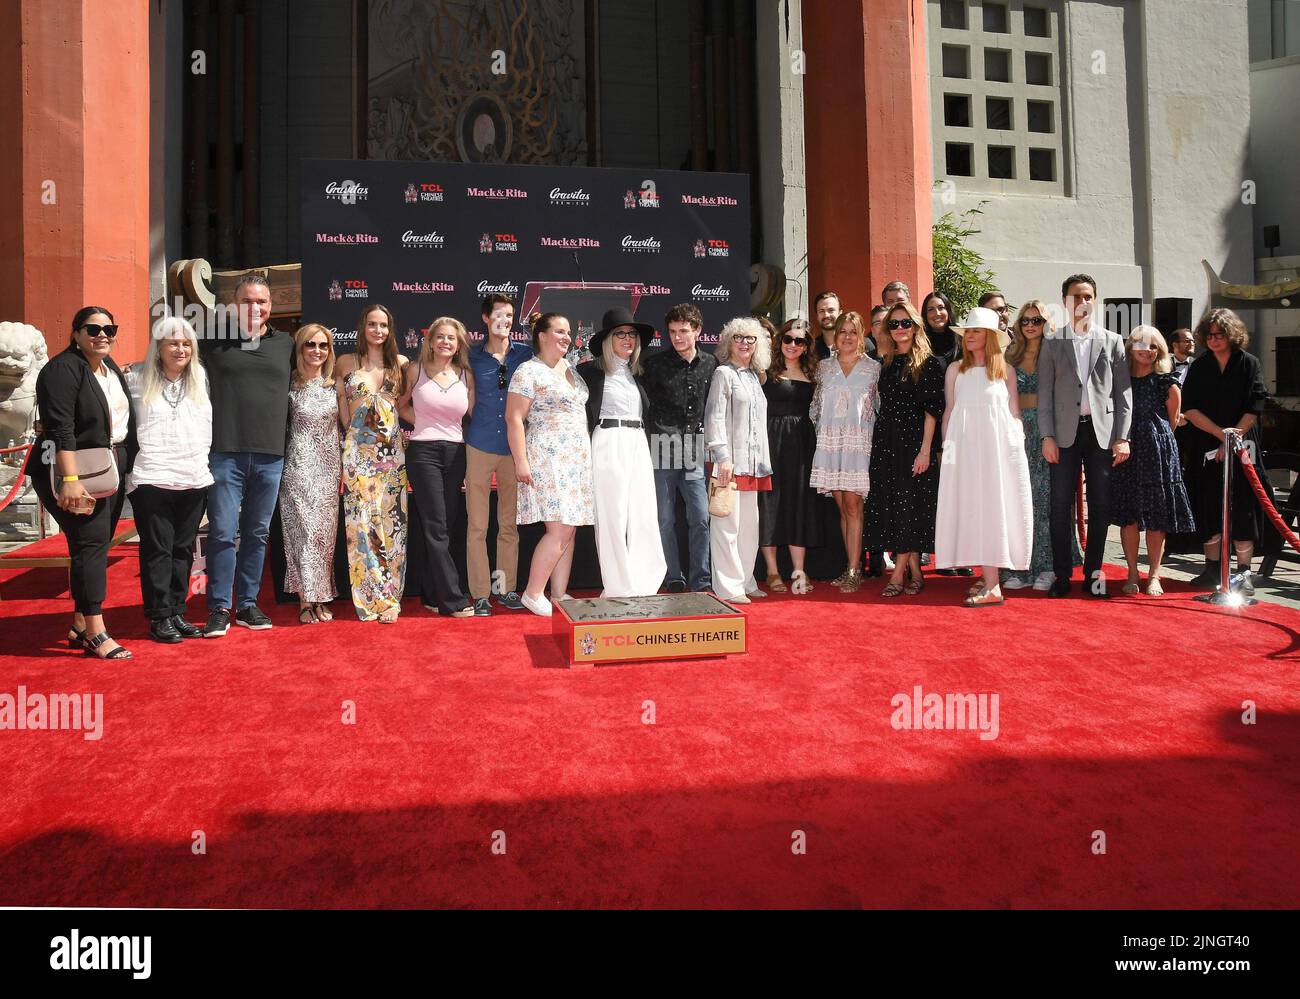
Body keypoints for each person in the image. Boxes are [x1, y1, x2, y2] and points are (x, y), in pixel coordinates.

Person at [32, 306, 139, 659]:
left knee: (93, 544)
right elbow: (60, 427)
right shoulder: (62, 370)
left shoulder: (108, 370)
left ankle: (79, 624)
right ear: (76, 333)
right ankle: (96, 631)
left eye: (110, 328)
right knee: (90, 544)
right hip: (74, 471)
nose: (102, 335)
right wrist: (71, 480)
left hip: (108, 467)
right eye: (93, 329)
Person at [201, 274, 295, 636]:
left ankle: (248, 604)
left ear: (271, 306)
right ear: (234, 304)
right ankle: (219, 607)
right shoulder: (211, 342)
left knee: (257, 533)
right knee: (223, 532)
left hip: (271, 455)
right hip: (225, 453)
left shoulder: (286, 344)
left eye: (262, 302)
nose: (255, 308)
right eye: (247, 301)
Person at [1038, 273, 1132, 598]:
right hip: (1063, 434)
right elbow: (1044, 394)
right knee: (1060, 506)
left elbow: (1123, 395)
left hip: (1101, 435)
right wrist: (1046, 436)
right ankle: (1062, 576)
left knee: (1101, 507)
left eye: (1088, 296)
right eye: (1076, 296)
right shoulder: (1052, 343)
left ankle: (1094, 576)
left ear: (1096, 300)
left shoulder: (1113, 340)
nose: (1083, 302)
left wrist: (1123, 437)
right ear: (1065, 300)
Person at [934, 308, 1032, 606]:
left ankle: (993, 586)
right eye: (968, 332)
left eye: (976, 331)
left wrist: (1016, 453)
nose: (970, 337)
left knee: (995, 509)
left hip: (998, 453)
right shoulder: (955, 370)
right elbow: (949, 411)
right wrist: (946, 453)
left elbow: (1014, 414)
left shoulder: (1006, 371)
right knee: (971, 508)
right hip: (963, 451)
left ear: (990, 337)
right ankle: (988, 578)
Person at [125, 317, 212, 643]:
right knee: (157, 551)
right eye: (173, 343)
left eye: (186, 343)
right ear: (158, 347)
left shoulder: (200, 377)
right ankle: (159, 616)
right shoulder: (135, 377)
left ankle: (177, 611)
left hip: (192, 477)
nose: (180, 349)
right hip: (152, 477)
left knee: (182, 552)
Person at [506, 312, 595, 616]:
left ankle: (558, 593)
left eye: (568, 332)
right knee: (559, 529)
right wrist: (521, 461)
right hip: (549, 458)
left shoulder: (569, 368)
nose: (566, 338)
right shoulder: (527, 371)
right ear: (541, 335)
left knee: (569, 528)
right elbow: (514, 418)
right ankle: (533, 593)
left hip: (576, 460)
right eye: (559, 331)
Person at [577, 307, 666, 598]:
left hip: (638, 441)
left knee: (643, 512)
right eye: (621, 334)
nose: (628, 339)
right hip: (608, 440)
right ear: (607, 339)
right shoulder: (589, 371)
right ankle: (617, 585)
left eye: (632, 334)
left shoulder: (639, 373)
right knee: (612, 515)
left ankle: (645, 580)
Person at [1180, 308, 1269, 593]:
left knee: (1243, 506)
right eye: (1210, 335)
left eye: (1220, 334)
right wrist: (1221, 436)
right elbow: (1189, 407)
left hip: (1244, 442)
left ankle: (1244, 572)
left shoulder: (1249, 363)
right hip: (1207, 441)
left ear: (1232, 334)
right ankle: (1211, 569)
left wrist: (1233, 438)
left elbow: (1256, 404)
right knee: (1209, 503)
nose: (1215, 339)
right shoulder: (1199, 366)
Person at [862, 300, 945, 597]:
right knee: (895, 507)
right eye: (893, 324)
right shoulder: (886, 362)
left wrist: (924, 451)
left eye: (905, 323)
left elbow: (932, 412)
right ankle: (916, 571)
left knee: (911, 506)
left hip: (914, 443)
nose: (899, 329)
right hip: (886, 442)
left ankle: (897, 574)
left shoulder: (930, 364)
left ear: (916, 326)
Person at [335, 304, 409, 622]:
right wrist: (351, 438)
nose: (378, 330)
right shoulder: (345, 362)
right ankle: (372, 598)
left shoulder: (401, 364)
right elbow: (341, 404)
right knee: (362, 527)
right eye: (372, 324)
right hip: (359, 456)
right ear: (362, 327)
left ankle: (391, 596)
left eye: (383, 325)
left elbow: (403, 407)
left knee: (393, 525)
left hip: (392, 455)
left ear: (389, 329)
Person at [1109, 326, 1195, 596]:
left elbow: (1172, 422)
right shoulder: (1118, 381)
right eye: (1141, 344)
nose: (1147, 350)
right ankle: (1132, 572)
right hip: (1127, 451)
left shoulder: (1167, 382)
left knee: (1157, 518)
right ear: (1131, 348)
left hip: (1158, 453)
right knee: (1129, 516)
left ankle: (1155, 574)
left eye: (1153, 346)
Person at [399, 317, 475, 618]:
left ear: (459, 345)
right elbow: (399, 404)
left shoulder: (466, 375)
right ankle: (452, 600)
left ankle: (431, 593)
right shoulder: (415, 371)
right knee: (436, 527)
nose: (445, 342)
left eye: (451, 338)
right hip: (423, 452)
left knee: (447, 523)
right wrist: (424, 423)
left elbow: (472, 412)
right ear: (429, 342)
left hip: (456, 453)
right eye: (440, 337)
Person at [1002, 300, 1080, 591]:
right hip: (1017, 432)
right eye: (1026, 320)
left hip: (1050, 433)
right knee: (1018, 499)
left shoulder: (1059, 352)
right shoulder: (1009, 354)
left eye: (1037, 320)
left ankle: (1047, 566)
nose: (1031, 325)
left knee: (1047, 501)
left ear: (1048, 323)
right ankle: (1017, 567)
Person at [641, 303, 718, 593]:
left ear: (698, 330)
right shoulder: (655, 364)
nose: (677, 337)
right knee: (665, 518)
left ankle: (701, 579)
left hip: (694, 446)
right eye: (672, 332)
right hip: (661, 444)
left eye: (684, 331)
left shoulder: (711, 364)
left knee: (699, 517)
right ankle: (673, 574)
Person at [465, 294, 532, 615]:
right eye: (498, 316)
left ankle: (505, 590)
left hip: (513, 449)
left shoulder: (526, 355)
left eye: (509, 316)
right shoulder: (470, 356)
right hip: (478, 445)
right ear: (485, 318)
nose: (504, 322)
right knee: (477, 526)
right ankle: (479, 594)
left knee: (508, 525)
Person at [809, 311, 880, 593]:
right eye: (842, 331)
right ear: (835, 336)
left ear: (861, 335)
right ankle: (851, 565)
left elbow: (879, 408)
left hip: (858, 446)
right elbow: (814, 408)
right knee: (842, 507)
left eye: (853, 331)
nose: (847, 337)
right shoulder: (823, 368)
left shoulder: (873, 368)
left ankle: (854, 569)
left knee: (854, 506)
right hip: (830, 445)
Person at [705, 316, 773, 604]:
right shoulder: (724, 374)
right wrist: (722, 457)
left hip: (755, 465)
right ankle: (728, 587)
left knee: (749, 527)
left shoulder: (756, 377)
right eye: (739, 337)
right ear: (728, 342)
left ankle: (746, 580)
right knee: (726, 526)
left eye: (751, 338)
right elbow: (714, 416)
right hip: (730, 464)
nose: (745, 343)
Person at [280, 324, 342, 624]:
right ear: (300, 348)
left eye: (323, 345)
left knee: (323, 537)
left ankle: (320, 597)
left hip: (329, 471)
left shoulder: (335, 385)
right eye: (310, 345)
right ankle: (306, 600)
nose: (317, 351)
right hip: (297, 469)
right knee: (303, 534)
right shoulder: (289, 385)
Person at [759, 317, 822, 594]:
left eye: (800, 341)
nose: (793, 345)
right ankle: (772, 571)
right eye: (788, 339)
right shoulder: (764, 372)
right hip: (770, 440)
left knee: (799, 503)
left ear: (807, 346)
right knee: (769, 503)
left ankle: (799, 570)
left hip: (801, 444)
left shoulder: (814, 374)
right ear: (779, 340)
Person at [920, 291, 961, 365]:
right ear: (925, 314)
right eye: (931, 309)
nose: (937, 313)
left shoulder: (961, 337)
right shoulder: (919, 341)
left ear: (948, 310)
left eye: (941, 308)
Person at [813, 290, 842, 360]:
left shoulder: (858, 344)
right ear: (817, 316)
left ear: (840, 313)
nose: (826, 315)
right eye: (821, 311)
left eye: (831, 310)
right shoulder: (811, 350)